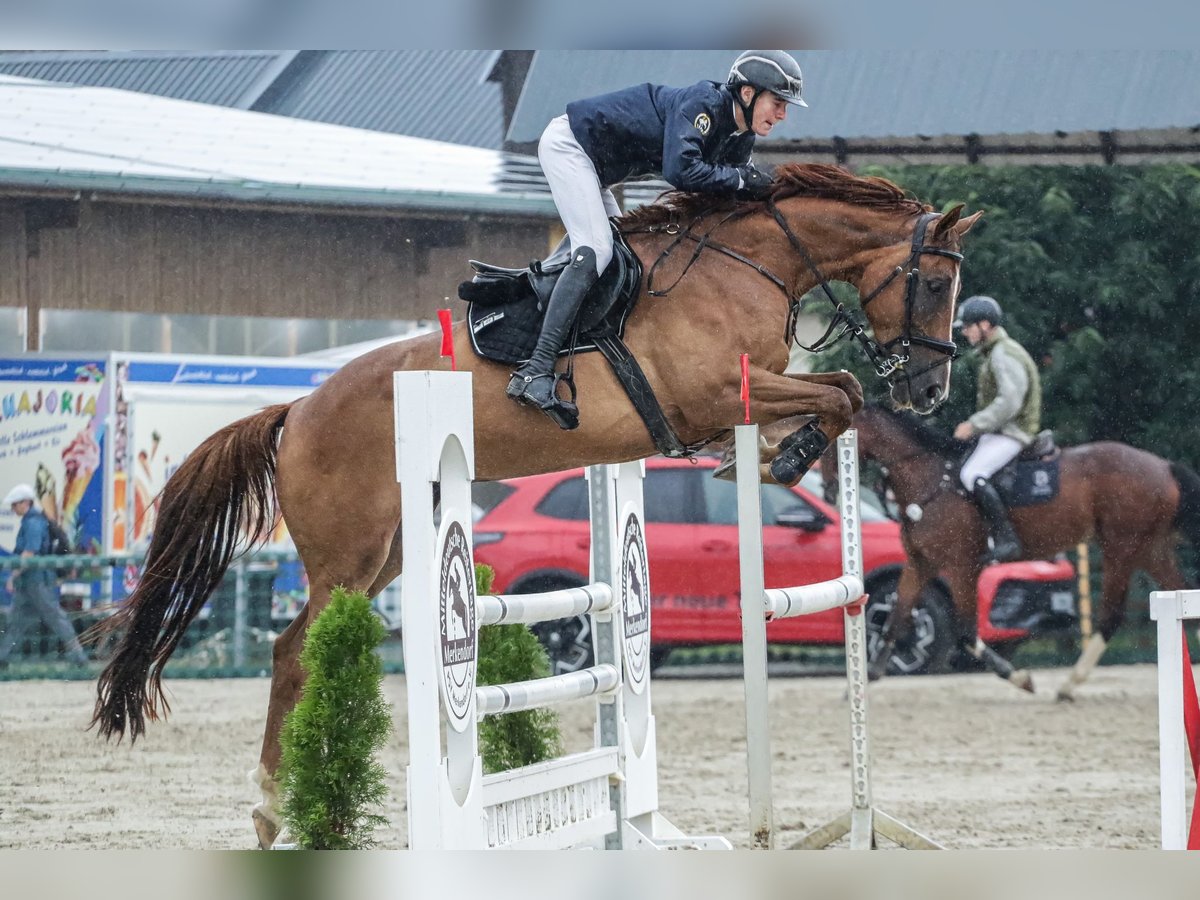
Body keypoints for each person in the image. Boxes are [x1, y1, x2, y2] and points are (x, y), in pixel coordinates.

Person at [506, 50, 808, 430]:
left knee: (622, 258)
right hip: (570, 147)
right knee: (597, 250)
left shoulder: (738, 136)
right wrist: (745, 181)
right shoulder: (702, 104)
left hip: (596, 169)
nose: (782, 115)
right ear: (747, 93)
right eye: (778, 103)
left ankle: (590, 349)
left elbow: (724, 195)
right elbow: (681, 170)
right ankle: (535, 369)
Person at [952, 296, 1042, 563]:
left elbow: (1010, 401)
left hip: (1014, 431)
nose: (965, 332)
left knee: (971, 473)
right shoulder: (994, 352)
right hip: (1001, 431)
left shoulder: (1004, 353)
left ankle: (1006, 540)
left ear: (985, 324)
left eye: (968, 326)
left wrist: (975, 425)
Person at [0, 483, 87, 668]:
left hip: (35, 581)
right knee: (22, 620)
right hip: (34, 581)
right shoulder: (36, 521)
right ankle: (2, 656)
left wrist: (13, 575)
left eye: (15, 504)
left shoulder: (32, 523)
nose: (13, 508)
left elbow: (29, 553)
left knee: (48, 618)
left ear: (25, 503)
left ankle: (78, 656)